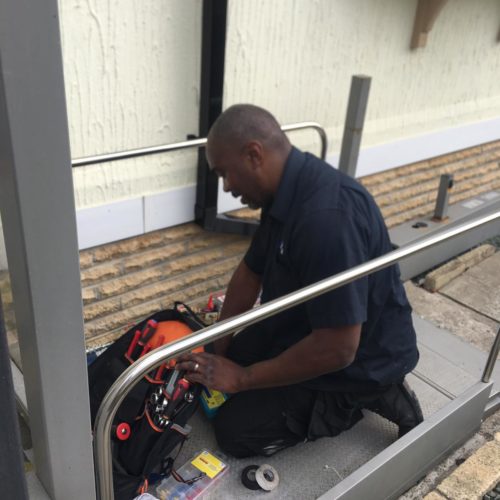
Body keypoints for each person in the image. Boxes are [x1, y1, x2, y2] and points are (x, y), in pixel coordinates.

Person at [176, 104, 423, 458]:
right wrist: (218, 344)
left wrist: (243, 379)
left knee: (235, 431)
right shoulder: (283, 192)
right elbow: (250, 272)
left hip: (358, 358)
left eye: (225, 174)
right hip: (309, 325)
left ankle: (372, 396)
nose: (227, 187)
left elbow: (338, 347)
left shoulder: (327, 220)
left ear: (254, 154)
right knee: (232, 357)